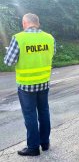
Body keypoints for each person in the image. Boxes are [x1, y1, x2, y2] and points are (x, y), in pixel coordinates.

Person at [4, 13, 55, 156]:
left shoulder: (19, 38)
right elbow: (52, 53)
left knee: (30, 115)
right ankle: (45, 143)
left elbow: (9, 62)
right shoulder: (49, 38)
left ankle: (33, 147)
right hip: (44, 83)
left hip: (26, 85)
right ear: (37, 23)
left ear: (24, 23)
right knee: (44, 112)